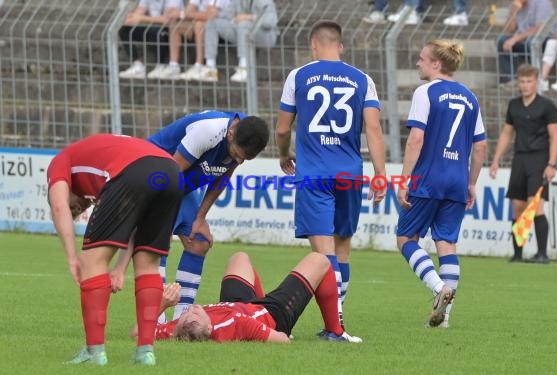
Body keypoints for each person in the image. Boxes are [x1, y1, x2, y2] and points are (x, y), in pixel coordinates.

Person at [276, 20, 387, 338]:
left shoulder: (299, 76)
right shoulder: (363, 79)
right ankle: (337, 322)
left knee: (322, 255)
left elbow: (283, 129)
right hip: (350, 174)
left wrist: (284, 153)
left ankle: (335, 327)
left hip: (314, 175)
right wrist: (381, 175)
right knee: (342, 249)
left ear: (313, 45)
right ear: (340, 45)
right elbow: (374, 130)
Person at [47, 134, 183, 365]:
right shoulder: (103, 159)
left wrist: (72, 257)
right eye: (76, 212)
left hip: (134, 170)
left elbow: (58, 207)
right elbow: (135, 227)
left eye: (75, 208)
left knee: (92, 261)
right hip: (172, 173)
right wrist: (120, 268)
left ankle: (94, 352)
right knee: (148, 263)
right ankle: (145, 353)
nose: (76, 210)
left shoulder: (61, 161)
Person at [143, 111, 269, 321]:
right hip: (155, 177)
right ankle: (157, 318)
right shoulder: (208, 131)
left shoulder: (246, 134)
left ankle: (181, 318)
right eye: (237, 155)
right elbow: (169, 175)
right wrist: (161, 218)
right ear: (230, 133)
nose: (237, 160)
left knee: (199, 242)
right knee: (159, 241)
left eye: (243, 159)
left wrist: (200, 218)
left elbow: (222, 177)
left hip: (180, 185)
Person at [396, 39, 487, 328]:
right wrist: (472, 183)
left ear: (436, 63)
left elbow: (416, 139)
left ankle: (439, 289)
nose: (418, 63)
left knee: (406, 239)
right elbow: (481, 146)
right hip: (457, 180)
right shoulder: (471, 98)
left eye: (422, 59)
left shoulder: (426, 92)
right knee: (446, 244)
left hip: (429, 177)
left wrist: (405, 178)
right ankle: (444, 319)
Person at [143, 251, 361, 343]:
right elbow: (282, 341)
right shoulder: (238, 323)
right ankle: (336, 332)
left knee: (239, 257)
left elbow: (138, 332)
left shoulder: (181, 329)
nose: (194, 307)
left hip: (241, 305)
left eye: (188, 311)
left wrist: (162, 305)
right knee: (320, 260)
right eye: (195, 312)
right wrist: (268, 333)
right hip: (272, 314)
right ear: (209, 329)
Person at [490, 64, 557, 264]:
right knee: (518, 206)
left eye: (529, 81)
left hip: (539, 158)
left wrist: (552, 163)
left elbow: (555, 135)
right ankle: (518, 254)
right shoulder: (514, 105)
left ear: (536, 82)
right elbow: (506, 133)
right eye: (522, 81)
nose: (525, 85)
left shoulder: (546, 106)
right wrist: (496, 159)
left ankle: (542, 254)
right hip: (519, 158)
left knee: (535, 204)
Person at [190, 0, 279, 82]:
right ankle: (210, 68)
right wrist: (217, 14)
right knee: (212, 23)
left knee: (244, 24)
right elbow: (230, 14)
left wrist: (249, 17)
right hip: (242, 32)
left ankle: (244, 68)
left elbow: (271, 21)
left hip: (265, 35)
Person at [155, 0, 231, 80]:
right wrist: (180, 14)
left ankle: (199, 65)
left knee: (199, 25)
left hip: (222, 27)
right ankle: (173, 66)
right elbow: (188, 10)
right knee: (175, 26)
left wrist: (182, 14)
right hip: (200, 22)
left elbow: (210, 16)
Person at [118, 0, 184, 79]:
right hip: (154, 27)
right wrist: (131, 17)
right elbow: (139, 11)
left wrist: (142, 18)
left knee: (155, 30)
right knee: (125, 30)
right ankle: (137, 65)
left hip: (172, 30)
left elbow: (168, 19)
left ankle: (162, 65)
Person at [497, 0, 554, 84]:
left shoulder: (542, 2)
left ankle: (535, 79)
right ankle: (511, 79)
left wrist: (516, 38)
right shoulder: (515, 5)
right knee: (502, 41)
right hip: (523, 38)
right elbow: (508, 31)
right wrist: (513, 13)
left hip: (544, 39)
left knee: (532, 42)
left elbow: (540, 28)